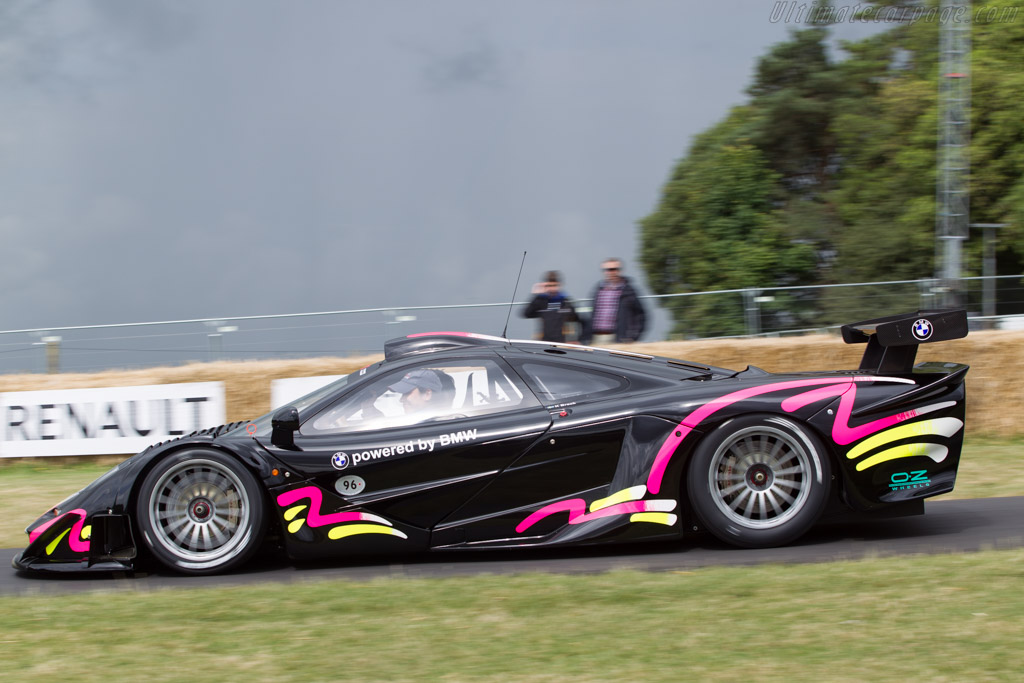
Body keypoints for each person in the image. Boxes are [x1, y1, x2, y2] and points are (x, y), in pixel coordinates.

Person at [582, 258, 646, 345]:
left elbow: (640, 315)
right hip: (597, 337)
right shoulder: (598, 290)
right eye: (609, 270)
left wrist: (633, 336)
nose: (612, 272)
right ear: (604, 271)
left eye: (615, 269)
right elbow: (592, 314)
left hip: (618, 338)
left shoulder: (628, 291)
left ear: (620, 271)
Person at [522, 270, 580, 343]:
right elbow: (526, 314)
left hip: (561, 342)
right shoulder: (541, 301)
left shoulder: (565, 302)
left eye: (554, 285)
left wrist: (576, 339)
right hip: (545, 341)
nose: (552, 289)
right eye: (549, 286)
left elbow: (577, 319)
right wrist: (536, 296)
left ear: (559, 285)